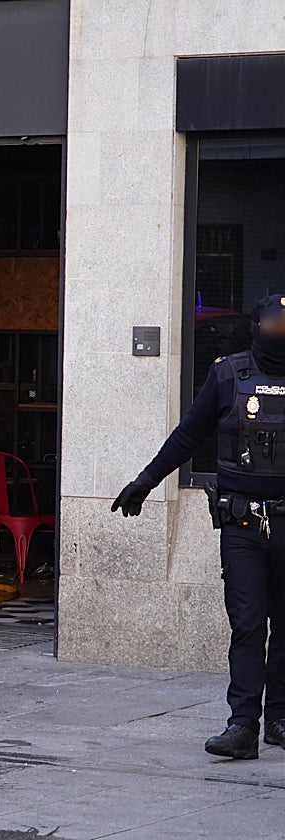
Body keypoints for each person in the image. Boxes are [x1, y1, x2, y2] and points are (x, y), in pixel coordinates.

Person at [113, 293, 285, 760]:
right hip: (244, 523)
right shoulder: (229, 374)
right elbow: (190, 433)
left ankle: (281, 719)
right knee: (248, 624)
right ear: (255, 329)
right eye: (273, 328)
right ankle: (243, 725)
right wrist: (146, 481)